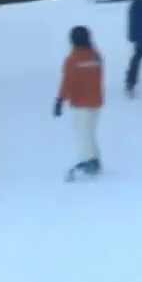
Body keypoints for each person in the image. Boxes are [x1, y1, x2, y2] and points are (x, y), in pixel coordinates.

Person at [55, 26, 104, 181]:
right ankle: (95, 158)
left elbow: (67, 82)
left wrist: (59, 100)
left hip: (81, 103)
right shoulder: (96, 56)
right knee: (90, 132)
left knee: (83, 133)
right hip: (96, 101)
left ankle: (89, 161)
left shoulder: (73, 59)